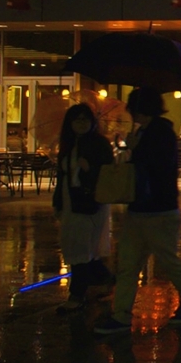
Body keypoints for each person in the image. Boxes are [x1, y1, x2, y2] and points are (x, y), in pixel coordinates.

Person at [94, 87, 181, 334]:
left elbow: (156, 166)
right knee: (129, 263)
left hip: (158, 207)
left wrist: (135, 148)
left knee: (166, 258)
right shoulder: (146, 131)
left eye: (133, 109)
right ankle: (121, 314)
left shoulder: (161, 132)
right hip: (142, 206)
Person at [52, 104, 116, 313]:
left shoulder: (99, 144)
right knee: (81, 249)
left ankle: (76, 295)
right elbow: (61, 178)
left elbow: (109, 172)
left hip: (91, 202)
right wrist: (58, 203)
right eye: (76, 119)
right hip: (70, 201)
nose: (81, 123)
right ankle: (107, 279)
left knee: (81, 249)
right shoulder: (68, 146)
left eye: (85, 119)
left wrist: (90, 169)